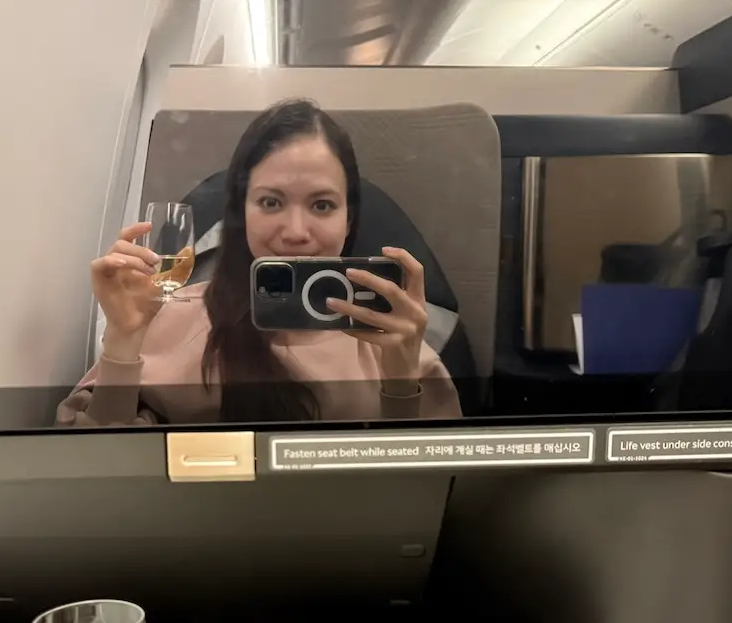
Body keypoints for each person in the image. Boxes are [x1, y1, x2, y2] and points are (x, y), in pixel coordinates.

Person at [58, 99, 461, 426]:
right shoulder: (165, 316)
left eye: (322, 205)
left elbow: (423, 489)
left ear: (348, 220)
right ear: (240, 211)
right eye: (271, 202)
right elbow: (99, 470)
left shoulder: (391, 338)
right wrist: (124, 338)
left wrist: (401, 379)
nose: (296, 231)